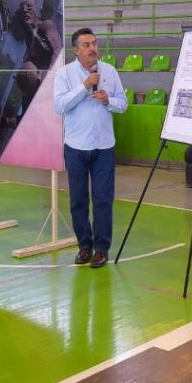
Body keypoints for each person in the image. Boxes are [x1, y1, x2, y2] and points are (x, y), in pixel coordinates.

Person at [53, 28, 128, 269]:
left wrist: (109, 101)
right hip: (76, 146)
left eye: (94, 43)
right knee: (78, 200)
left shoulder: (110, 71)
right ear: (76, 50)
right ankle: (84, 246)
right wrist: (85, 86)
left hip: (104, 145)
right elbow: (60, 105)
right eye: (86, 45)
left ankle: (101, 248)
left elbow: (123, 104)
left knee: (103, 199)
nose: (92, 48)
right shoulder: (64, 74)